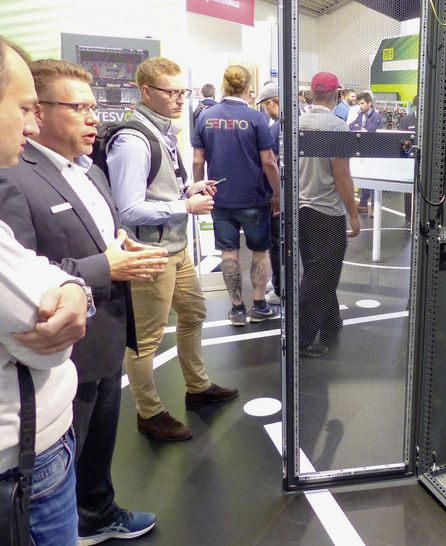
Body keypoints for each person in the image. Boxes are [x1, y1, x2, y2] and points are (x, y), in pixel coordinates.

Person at [0, 58, 172, 544]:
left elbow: (103, 237)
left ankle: (97, 513)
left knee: (98, 443)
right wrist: (104, 267)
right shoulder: (14, 177)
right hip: (62, 349)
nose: (94, 119)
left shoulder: (90, 169)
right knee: (63, 453)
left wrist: (121, 248)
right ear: (40, 112)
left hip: (106, 332)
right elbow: (29, 274)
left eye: (94, 108)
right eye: (78, 108)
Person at [106, 56, 238, 441]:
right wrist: (185, 206)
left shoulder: (163, 132)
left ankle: (198, 388)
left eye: (184, 92)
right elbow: (128, 209)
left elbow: (157, 191)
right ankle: (149, 413)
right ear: (146, 92)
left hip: (175, 249)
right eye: (172, 92)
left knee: (194, 312)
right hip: (149, 253)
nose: (181, 99)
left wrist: (186, 190)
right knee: (146, 338)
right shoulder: (133, 140)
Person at [0, 35, 89, 546]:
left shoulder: (85, 167)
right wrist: (78, 284)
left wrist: (69, 285)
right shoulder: (18, 180)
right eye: (24, 108)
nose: (30, 126)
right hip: (24, 462)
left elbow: (33, 265)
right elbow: (45, 343)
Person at [192, 65, 281, 326]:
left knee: (228, 252)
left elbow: (197, 161)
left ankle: (238, 309)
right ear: (247, 87)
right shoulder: (255, 118)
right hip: (253, 197)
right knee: (259, 251)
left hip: (219, 197)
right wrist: (278, 193)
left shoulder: (206, 117)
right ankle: (260, 306)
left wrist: (200, 189)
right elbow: (269, 162)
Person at [298, 72, 360, 357]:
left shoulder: (298, 123)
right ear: (336, 95)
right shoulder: (337, 126)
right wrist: (354, 214)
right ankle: (303, 338)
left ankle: (330, 320)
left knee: (317, 268)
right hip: (325, 211)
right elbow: (342, 175)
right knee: (322, 273)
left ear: (312, 95)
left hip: (300, 209)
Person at [256, 81, 281, 306]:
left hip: (278, 192)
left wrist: (275, 193)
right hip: (291, 191)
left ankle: (280, 288)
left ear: (271, 103)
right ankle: (279, 282)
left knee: (276, 242)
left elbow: (271, 163)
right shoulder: (293, 122)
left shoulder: (275, 128)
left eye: (264, 106)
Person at [349, 92, 384, 213]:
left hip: (373, 152)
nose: (360, 106)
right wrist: (360, 128)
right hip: (363, 150)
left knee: (373, 180)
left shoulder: (377, 117)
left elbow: (370, 131)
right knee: (364, 177)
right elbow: (350, 126)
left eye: (362, 103)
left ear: (369, 103)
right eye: (359, 104)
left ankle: (374, 207)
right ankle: (363, 203)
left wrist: (361, 129)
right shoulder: (360, 115)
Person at [398, 95, 417, 227]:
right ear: (415, 106)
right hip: (409, 160)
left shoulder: (429, 119)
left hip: (424, 160)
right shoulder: (406, 120)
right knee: (409, 189)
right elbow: (400, 139)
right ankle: (409, 217)